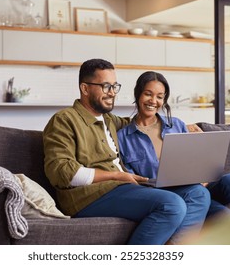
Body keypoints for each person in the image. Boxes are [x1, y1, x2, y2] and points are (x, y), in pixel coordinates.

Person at [43, 59, 210, 245]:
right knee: (171, 204)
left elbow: (141, 124)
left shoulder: (109, 120)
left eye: (115, 86)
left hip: (122, 188)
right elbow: (61, 172)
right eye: (106, 86)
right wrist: (115, 175)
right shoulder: (64, 120)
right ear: (85, 88)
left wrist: (181, 128)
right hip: (88, 196)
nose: (112, 93)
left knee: (198, 194)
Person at [117, 71, 230, 220]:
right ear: (138, 94)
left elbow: (196, 161)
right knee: (223, 215)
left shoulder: (177, 125)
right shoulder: (123, 138)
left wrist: (203, 175)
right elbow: (134, 183)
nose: (153, 101)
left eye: (160, 97)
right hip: (171, 196)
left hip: (197, 186)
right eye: (148, 94)